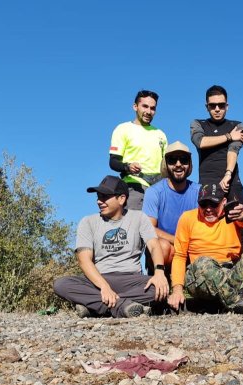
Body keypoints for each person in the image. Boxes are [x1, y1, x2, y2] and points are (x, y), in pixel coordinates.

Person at [53, 176, 169, 318]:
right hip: (99, 279)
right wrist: (104, 287)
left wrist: (159, 273)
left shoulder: (139, 218)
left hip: (131, 279)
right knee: (61, 284)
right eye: (98, 197)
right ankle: (122, 306)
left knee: (159, 288)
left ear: (121, 199)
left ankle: (95, 307)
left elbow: (154, 245)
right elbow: (84, 260)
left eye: (105, 197)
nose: (99, 201)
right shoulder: (88, 222)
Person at [167, 184, 243, 314]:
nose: (208, 209)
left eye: (213, 204)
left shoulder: (231, 215)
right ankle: (241, 302)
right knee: (203, 263)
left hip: (231, 272)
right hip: (201, 275)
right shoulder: (187, 218)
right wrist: (177, 290)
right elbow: (179, 255)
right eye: (203, 204)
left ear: (223, 202)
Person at [142, 141, 200, 268]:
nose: (178, 164)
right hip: (168, 246)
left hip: (192, 246)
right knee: (163, 246)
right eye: (172, 160)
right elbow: (149, 228)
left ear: (189, 164)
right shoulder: (154, 192)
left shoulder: (199, 191)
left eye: (184, 160)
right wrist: (178, 241)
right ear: (165, 164)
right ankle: (161, 280)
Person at [190, 85, 243, 210]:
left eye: (221, 105)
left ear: (227, 106)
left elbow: (233, 150)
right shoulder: (198, 124)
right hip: (207, 184)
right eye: (212, 105)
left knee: (237, 221)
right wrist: (229, 136)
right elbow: (200, 142)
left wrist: (228, 174)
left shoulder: (237, 125)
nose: (217, 109)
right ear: (207, 107)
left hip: (231, 183)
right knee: (207, 225)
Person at [109, 90, 168, 210]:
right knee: (133, 227)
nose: (148, 111)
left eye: (152, 108)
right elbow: (113, 162)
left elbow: (167, 166)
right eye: (145, 106)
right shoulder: (123, 129)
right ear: (135, 107)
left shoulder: (161, 134)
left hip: (158, 190)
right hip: (134, 187)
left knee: (156, 228)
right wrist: (127, 167)